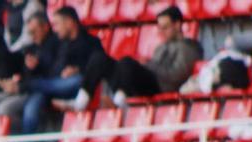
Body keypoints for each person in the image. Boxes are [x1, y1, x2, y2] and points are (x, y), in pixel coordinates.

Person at [59, 6, 201, 111]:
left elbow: (176, 76)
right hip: (144, 80)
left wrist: (148, 64)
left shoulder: (188, 48)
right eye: (159, 28)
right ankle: (81, 101)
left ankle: (119, 102)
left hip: (159, 86)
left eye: (165, 27)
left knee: (127, 62)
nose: (161, 32)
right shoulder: (161, 46)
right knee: (99, 59)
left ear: (177, 25)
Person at [20, 6, 104, 136]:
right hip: (52, 86)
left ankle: (25, 85)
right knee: (32, 106)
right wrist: (34, 67)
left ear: (70, 22)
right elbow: (49, 69)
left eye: (57, 24)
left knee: (76, 80)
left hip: (74, 85)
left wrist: (77, 69)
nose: (55, 28)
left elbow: (98, 66)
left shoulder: (91, 42)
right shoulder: (57, 44)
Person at [0, 13, 58, 123]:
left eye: (35, 31)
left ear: (45, 27)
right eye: (30, 32)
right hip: (23, 88)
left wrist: (36, 68)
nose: (32, 35)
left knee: (5, 108)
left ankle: (20, 138)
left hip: (40, 89)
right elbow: (22, 72)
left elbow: (53, 73)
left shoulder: (55, 45)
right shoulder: (30, 49)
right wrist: (17, 78)